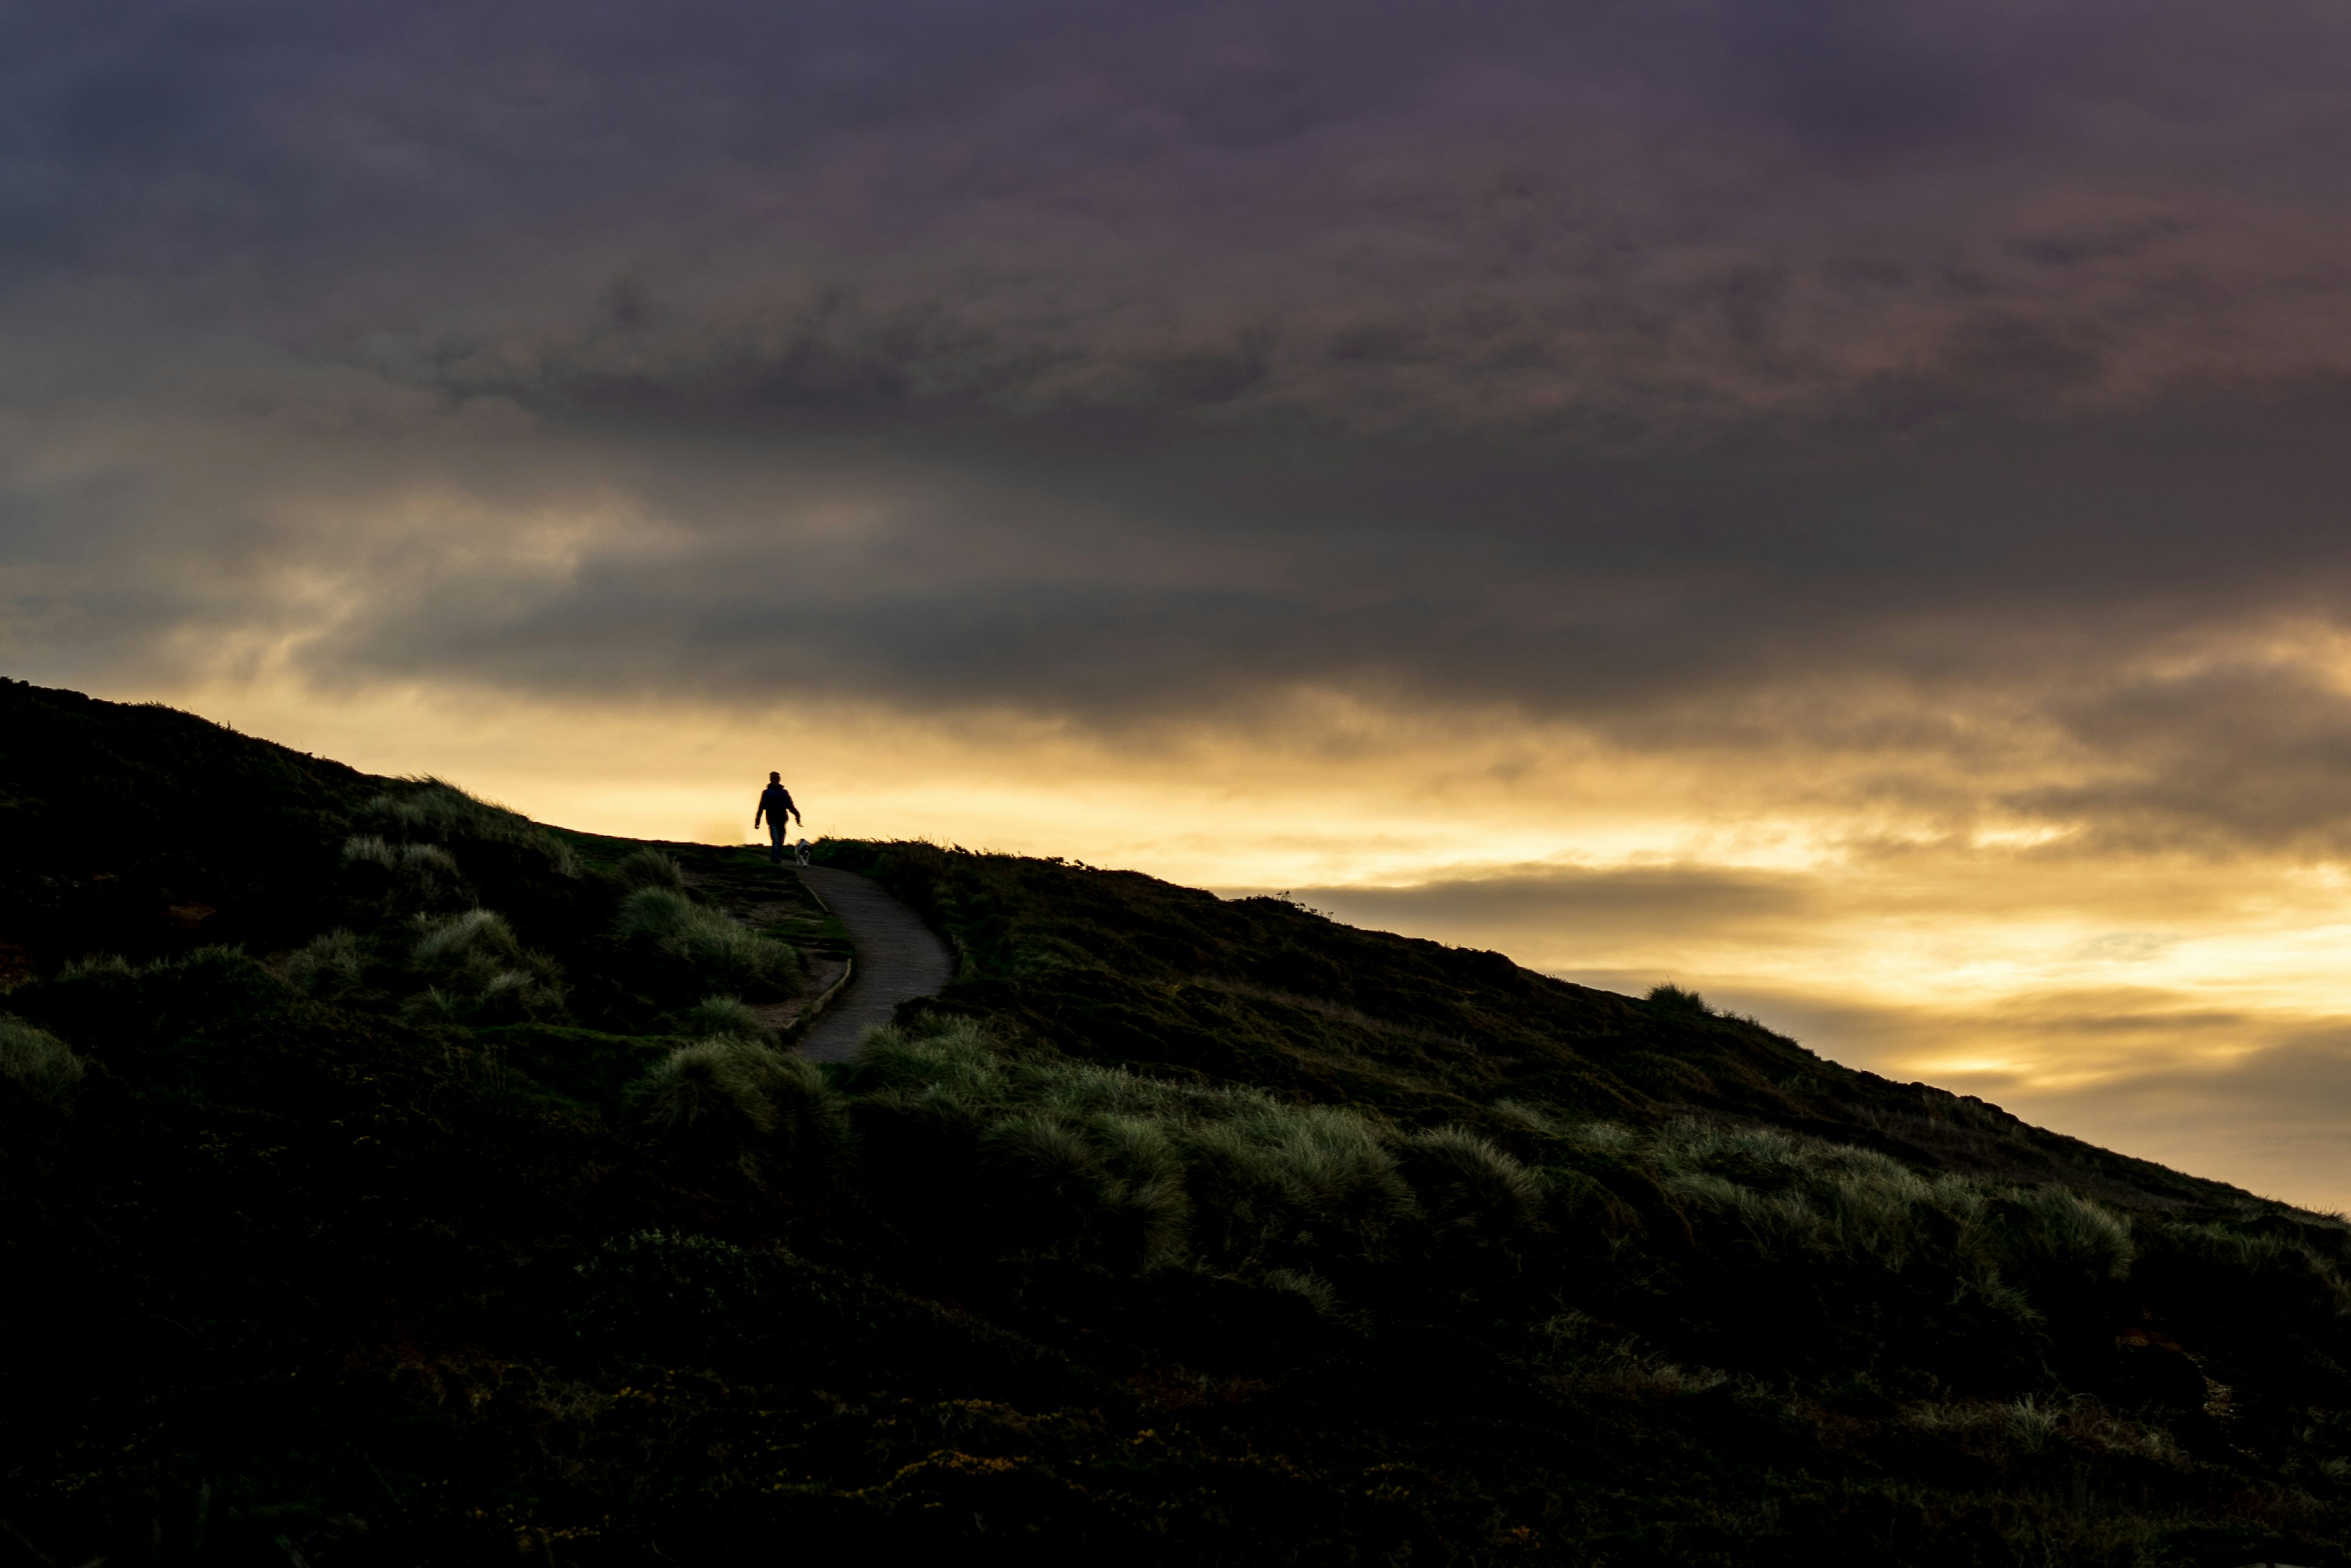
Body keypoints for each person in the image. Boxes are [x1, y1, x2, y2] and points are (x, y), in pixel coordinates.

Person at [754, 772, 803, 864]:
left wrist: (797, 816)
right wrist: (757, 821)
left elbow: (790, 806)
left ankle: (776, 856)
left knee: (780, 841)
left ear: (779, 779)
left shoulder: (784, 793)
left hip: (782, 819)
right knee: (776, 840)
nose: (776, 780)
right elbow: (761, 807)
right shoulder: (766, 793)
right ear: (771, 780)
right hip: (772, 819)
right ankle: (776, 858)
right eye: (774, 779)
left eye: (777, 779)